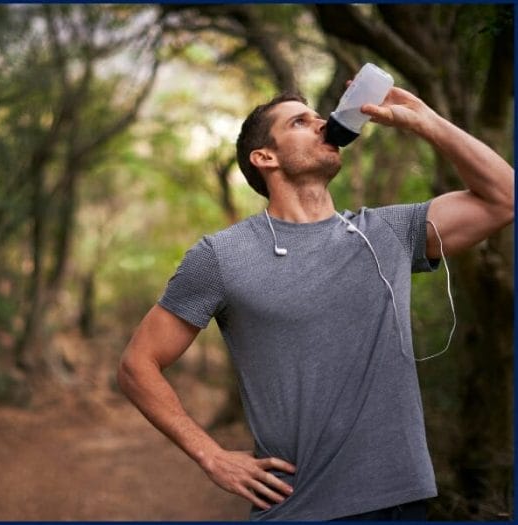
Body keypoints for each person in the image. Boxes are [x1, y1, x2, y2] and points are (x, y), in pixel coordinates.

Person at [116, 85, 514, 521]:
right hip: (297, 509)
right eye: (299, 122)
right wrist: (211, 456)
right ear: (265, 158)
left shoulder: (387, 232)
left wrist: (426, 120)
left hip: (403, 503)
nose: (322, 123)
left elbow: (504, 198)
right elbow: (138, 365)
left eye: (317, 116)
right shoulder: (221, 257)